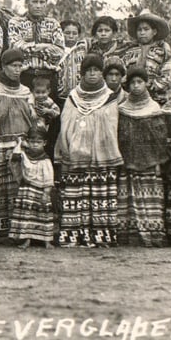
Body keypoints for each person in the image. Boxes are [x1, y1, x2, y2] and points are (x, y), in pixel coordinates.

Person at [54, 54, 124, 247]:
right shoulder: (73, 97)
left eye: (96, 70)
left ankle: (102, 237)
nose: (92, 74)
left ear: (101, 73)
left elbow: (112, 125)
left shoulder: (110, 97)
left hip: (102, 155)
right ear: (82, 74)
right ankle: (75, 236)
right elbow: (65, 124)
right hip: (77, 155)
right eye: (89, 71)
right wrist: (72, 145)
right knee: (77, 195)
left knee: (101, 195)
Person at [116, 66, 171, 247]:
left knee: (150, 198)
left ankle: (152, 234)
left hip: (149, 162)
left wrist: (157, 162)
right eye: (132, 83)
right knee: (127, 198)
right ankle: (129, 236)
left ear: (146, 83)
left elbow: (160, 139)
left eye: (140, 82)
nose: (136, 86)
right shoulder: (122, 109)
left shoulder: (154, 108)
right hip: (127, 161)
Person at [0, 49, 37, 243]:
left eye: (20, 66)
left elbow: (33, 118)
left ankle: (20, 232)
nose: (17, 70)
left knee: (20, 187)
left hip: (19, 146)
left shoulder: (25, 91)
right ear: (3, 66)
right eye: (13, 66)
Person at [7, 0, 65, 91]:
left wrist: (28, 49)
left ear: (46, 4)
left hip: (49, 76)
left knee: (49, 107)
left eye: (42, 2)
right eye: (34, 2)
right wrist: (45, 46)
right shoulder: (15, 23)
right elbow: (15, 49)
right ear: (27, 3)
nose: (38, 6)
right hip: (24, 76)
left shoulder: (53, 24)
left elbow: (59, 52)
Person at [8, 127, 56, 249]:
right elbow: (15, 159)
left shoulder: (45, 159)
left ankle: (46, 241)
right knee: (27, 215)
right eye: (32, 142)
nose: (35, 145)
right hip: (27, 190)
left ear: (44, 143)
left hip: (41, 191)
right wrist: (20, 143)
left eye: (38, 142)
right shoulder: (25, 155)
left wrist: (46, 193)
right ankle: (26, 239)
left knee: (42, 216)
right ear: (28, 141)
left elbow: (49, 178)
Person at [122, 10, 171, 105]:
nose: (142, 33)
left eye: (146, 29)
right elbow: (124, 70)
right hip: (132, 96)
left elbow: (167, 75)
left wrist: (151, 86)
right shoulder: (131, 49)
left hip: (156, 98)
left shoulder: (162, 48)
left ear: (154, 31)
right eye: (139, 30)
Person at [55, 19, 88, 102]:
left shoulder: (84, 49)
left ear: (79, 35)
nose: (71, 36)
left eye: (74, 33)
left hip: (80, 97)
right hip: (59, 96)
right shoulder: (56, 51)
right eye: (67, 33)